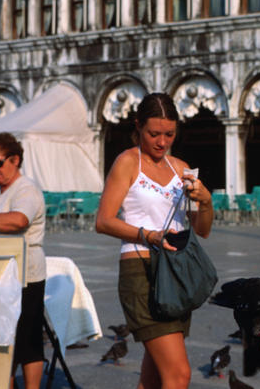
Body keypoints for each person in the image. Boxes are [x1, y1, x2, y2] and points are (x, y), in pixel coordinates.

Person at [95, 92, 214, 389]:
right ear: (138, 126)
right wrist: (148, 235)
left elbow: (202, 229)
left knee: (155, 378)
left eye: (169, 134)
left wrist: (206, 200)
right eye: (154, 134)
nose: (162, 142)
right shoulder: (127, 162)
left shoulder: (181, 168)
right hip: (142, 273)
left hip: (175, 274)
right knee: (178, 374)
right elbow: (104, 220)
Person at [0, 132, 46, 389]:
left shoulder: (25, 189)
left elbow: (19, 220)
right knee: (6, 340)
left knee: (27, 342)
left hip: (25, 276)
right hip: (1, 276)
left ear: (15, 159)